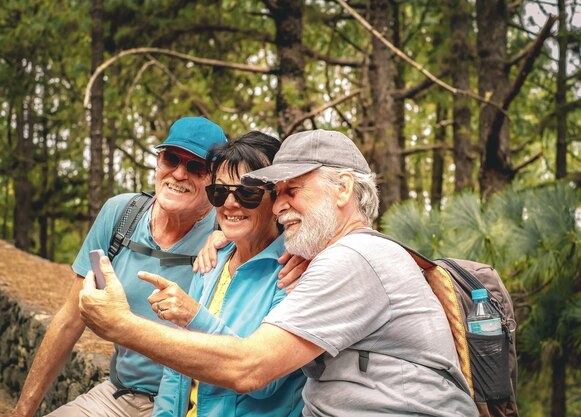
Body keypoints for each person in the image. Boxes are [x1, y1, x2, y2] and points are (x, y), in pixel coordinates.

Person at [79, 129, 479, 416]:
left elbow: (251, 369)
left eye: (292, 190)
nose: (280, 205)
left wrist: (120, 326)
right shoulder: (325, 259)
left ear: (343, 190)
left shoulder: (351, 260)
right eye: (278, 191)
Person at [11, 116, 228, 417]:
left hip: (194, 405)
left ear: (215, 179)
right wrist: (22, 411)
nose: (179, 173)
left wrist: (228, 235)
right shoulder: (121, 215)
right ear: (157, 161)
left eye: (196, 167)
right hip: (120, 397)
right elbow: (70, 319)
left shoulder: (228, 230)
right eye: (171, 159)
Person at [146, 131, 305, 417]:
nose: (230, 204)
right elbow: (176, 368)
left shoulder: (295, 272)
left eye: (248, 193)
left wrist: (195, 317)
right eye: (219, 192)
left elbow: (262, 381)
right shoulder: (211, 261)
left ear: (277, 197)